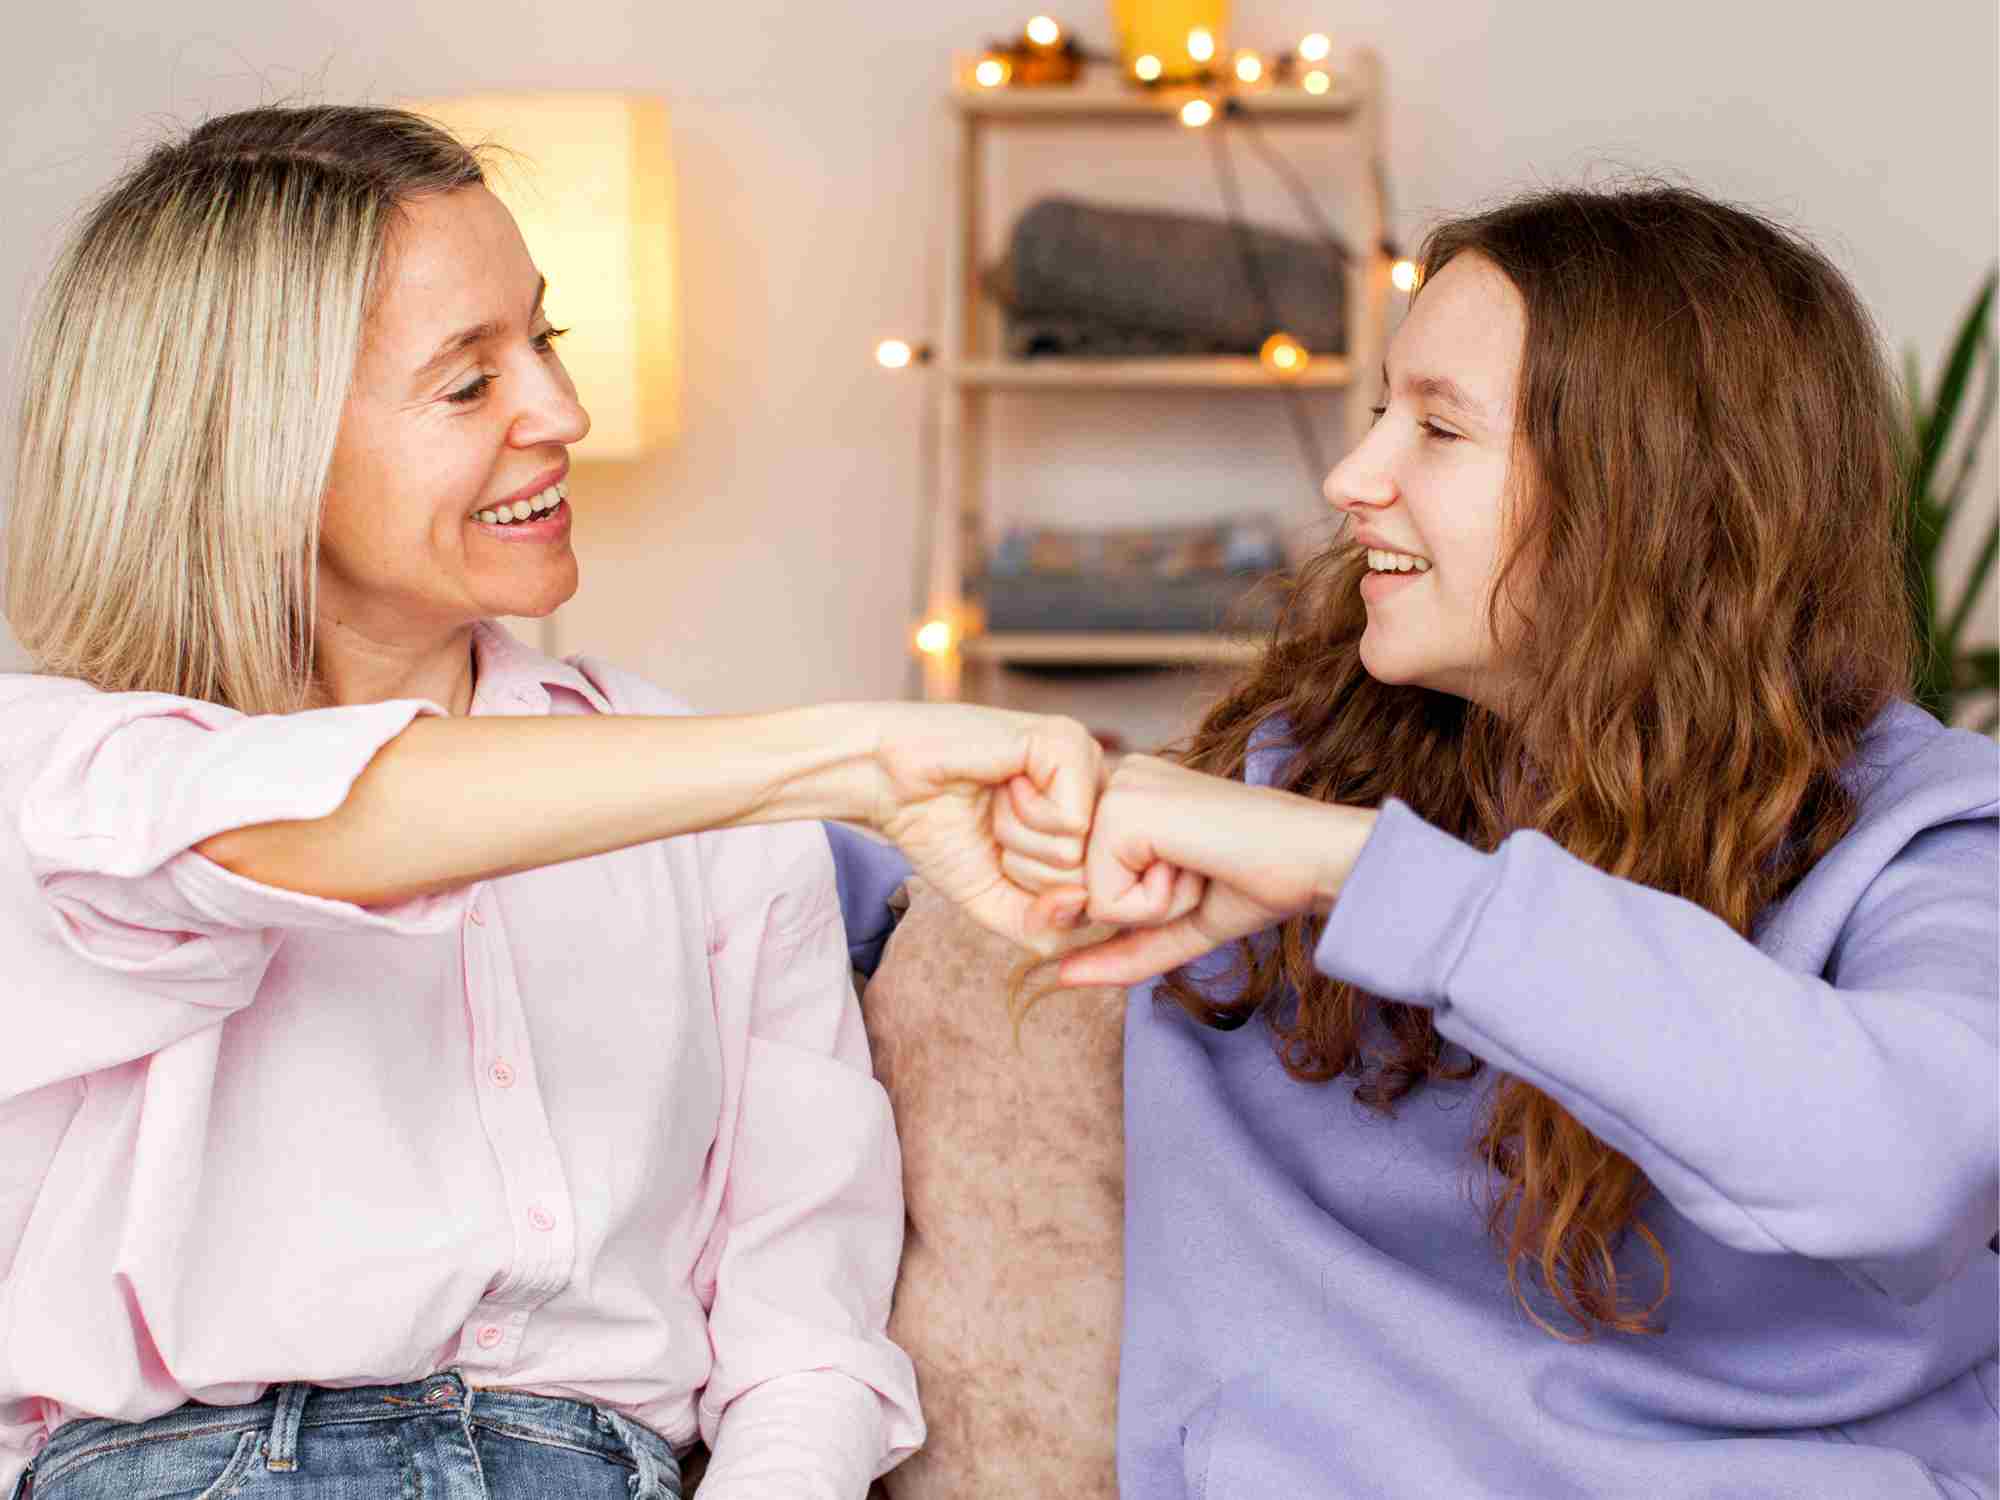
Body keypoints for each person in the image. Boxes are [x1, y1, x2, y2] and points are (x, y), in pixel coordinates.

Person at [0, 104, 1106, 1500]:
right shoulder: (54, 773)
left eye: (546, 343)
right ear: (254, 447)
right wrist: (846, 760)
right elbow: (310, 825)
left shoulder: (713, 789)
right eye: (468, 386)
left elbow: (805, 1323)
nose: (561, 415)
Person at [864, 184, 1999, 1497]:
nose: (1352, 481)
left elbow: (1913, 1165)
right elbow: (833, 897)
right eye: (1375, 416)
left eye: (1440, 428)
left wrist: (1366, 875)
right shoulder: (1287, 779)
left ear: (1653, 494)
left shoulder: (1931, 839)